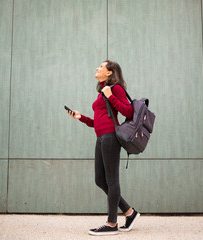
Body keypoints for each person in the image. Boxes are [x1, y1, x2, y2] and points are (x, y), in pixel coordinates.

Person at [67, 60, 140, 236]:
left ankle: (112, 223)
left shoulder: (115, 88)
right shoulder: (102, 93)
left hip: (110, 139)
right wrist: (81, 117)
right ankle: (129, 212)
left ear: (109, 72)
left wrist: (111, 95)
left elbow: (128, 112)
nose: (97, 68)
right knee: (100, 180)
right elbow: (99, 122)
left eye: (101, 66)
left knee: (112, 180)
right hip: (101, 138)